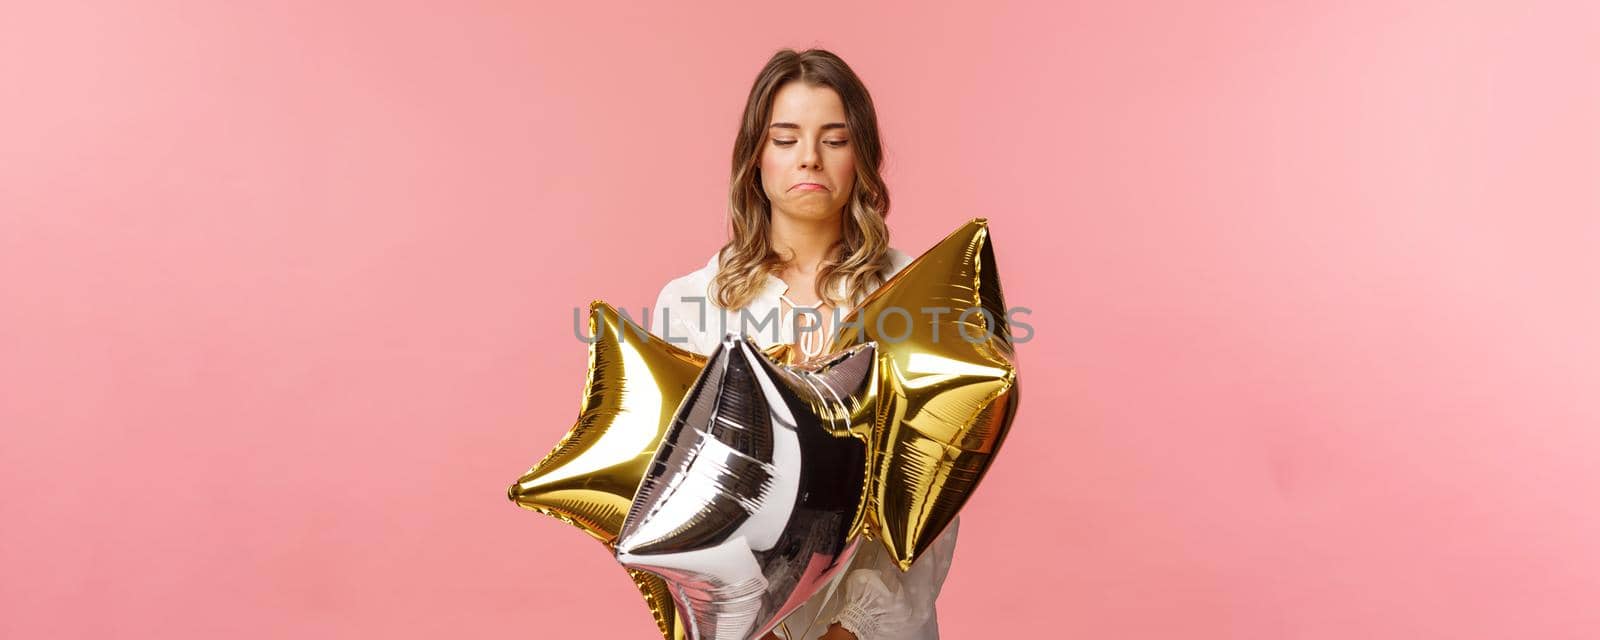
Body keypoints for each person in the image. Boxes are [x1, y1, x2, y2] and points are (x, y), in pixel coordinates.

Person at [648, 48, 960, 640]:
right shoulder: (691, 304)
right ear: (755, 156)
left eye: (835, 139)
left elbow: (934, 497)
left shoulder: (914, 295)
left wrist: (850, 628)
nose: (809, 158)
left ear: (861, 155)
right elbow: (668, 494)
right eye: (786, 138)